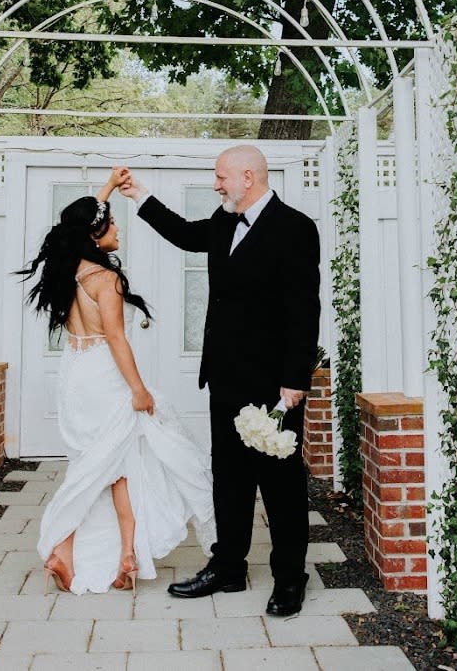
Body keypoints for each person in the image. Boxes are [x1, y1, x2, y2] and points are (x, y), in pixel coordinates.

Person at [118, 145, 320, 616]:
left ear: (247, 176)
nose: (216, 184)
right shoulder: (225, 220)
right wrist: (140, 195)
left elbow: (303, 309)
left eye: (220, 176)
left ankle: (290, 578)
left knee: (281, 485)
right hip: (225, 377)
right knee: (228, 479)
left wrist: (294, 380)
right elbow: (187, 235)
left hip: (275, 386)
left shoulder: (295, 228)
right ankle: (228, 566)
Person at [20, 168, 215, 595]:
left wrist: (109, 187)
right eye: (111, 223)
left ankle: (117, 554)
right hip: (105, 377)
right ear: (95, 235)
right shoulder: (104, 279)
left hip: (74, 375)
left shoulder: (69, 266)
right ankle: (87, 549)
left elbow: (80, 217)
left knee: (102, 465)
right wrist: (139, 389)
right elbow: (116, 340)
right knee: (113, 466)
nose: (117, 227)